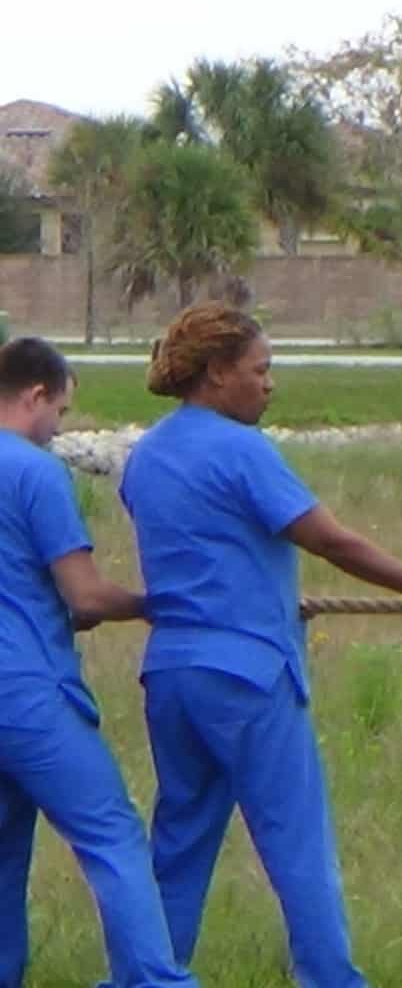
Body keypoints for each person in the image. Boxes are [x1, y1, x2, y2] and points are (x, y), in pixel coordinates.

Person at [118, 302, 402, 988]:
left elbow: (206, 553)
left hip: (172, 673)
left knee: (179, 841)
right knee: (296, 845)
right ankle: (329, 978)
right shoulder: (241, 449)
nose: (269, 384)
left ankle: (146, 976)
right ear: (218, 372)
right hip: (248, 676)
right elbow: (329, 539)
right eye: (260, 370)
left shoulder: (147, 456)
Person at [0, 338, 197, 988]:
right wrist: (153, 603)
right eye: (60, 410)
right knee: (109, 833)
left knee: (5, 852)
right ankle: (151, 980)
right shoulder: (34, 471)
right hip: (26, 692)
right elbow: (83, 594)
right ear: (35, 395)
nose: (59, 427)